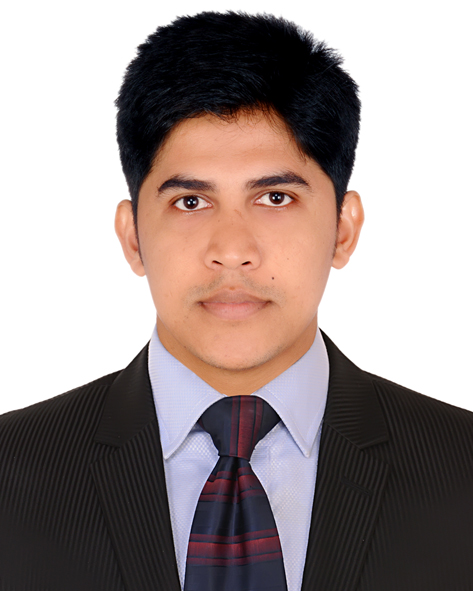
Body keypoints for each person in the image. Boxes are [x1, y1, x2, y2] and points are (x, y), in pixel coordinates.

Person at [1, 11, 472, 591]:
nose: (231, 251)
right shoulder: (11, 472)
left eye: (275, 197)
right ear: (132, 237)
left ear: (343, 230)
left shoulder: (461, 467)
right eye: (190, 202)